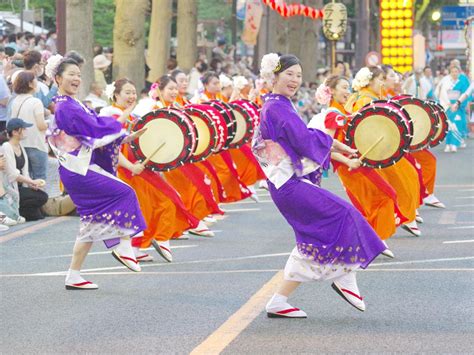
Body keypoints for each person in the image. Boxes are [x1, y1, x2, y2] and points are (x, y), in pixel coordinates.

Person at [254, 54, 385, 318]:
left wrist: (339, 147)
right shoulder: (277, 107)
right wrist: (333, 144)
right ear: (274, 76)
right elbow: (304, 140)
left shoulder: (278, 105)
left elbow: (303, 137)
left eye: (299, 75)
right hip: (288, 185)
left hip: (285, 183)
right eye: (289, 73)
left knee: (309, 243)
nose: (295, 80)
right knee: (344, 214)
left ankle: (278, 301)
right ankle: (345, 275)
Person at [47, 56, 147, 290]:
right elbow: (94, 132)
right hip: (77, 169)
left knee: (90, 225)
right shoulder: (66, 107)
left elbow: (95, 132)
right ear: (58, 78)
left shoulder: (71, 103)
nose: (76, 78)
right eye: (71, 74)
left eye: (78, 75)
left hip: (77, 167)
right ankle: (123, 243)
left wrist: (125, 136)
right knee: (125, 192)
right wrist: (118, 129)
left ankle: (73, 275)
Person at [101, 78, 199, 262]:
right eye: (127, 92)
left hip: (140, 168)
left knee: (163, 200)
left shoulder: (131, 116)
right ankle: (133, 247)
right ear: (115, 95)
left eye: (133, 92)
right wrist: (130, 166)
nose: (131, 96)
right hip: (124, 170)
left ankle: (148, 243)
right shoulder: (111, 116)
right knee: (140, 208)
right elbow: (111, 148)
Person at [310, 75, 402, 245]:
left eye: (348, 87)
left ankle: (369, 240)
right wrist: (349, 161)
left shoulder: (341, 112)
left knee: (378, 198)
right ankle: (373, 240)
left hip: (356, 162)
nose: (348, 91)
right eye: (344, 87)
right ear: (332, 91)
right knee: (380, 197)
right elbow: (326, 146)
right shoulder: (334, 115)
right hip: (350, 166)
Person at [349, 66, 422, 237]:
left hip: (381, 148)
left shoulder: (372, 96)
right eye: (380, 79)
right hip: (375, 151)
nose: (382, 82)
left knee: (407, 177)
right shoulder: (364, 99)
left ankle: (404, 217)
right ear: (371, 80)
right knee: (402, 181)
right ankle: (401, 219)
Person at [2, 118, 47, 221]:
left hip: (20, 187)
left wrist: (32, 184)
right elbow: (12, 175)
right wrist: (31, 181)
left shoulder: (20, 146)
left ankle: (23, 211)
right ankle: (18, 210)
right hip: (11, 189)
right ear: (15, 132)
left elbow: (25, 171)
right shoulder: (6, 147)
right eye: (24, 129)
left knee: (40, 207)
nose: (26, 131)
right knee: (42, 198)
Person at [10, 71, 48, 180]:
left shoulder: (15, 101)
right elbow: (41, 125)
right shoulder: (36, 102)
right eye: (35, 80)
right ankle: (39, 197)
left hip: (21, 145)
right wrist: (48, 125)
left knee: (26, 178)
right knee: (40, 178)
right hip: (36, 144)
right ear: (30, 84)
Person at [436, 65, 470, 152]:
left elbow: (464, 94)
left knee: (456, 125)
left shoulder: (462, 82)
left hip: (458, 105)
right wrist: (448, 104)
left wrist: (458, 104)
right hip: (448, 105)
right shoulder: (446, 82)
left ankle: (454, 144)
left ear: (459, 73)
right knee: (448, 126)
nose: (454, 73)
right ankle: (448, 144)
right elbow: (442, 94)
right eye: (452, 72)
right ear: (450, 73)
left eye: (456, 72)